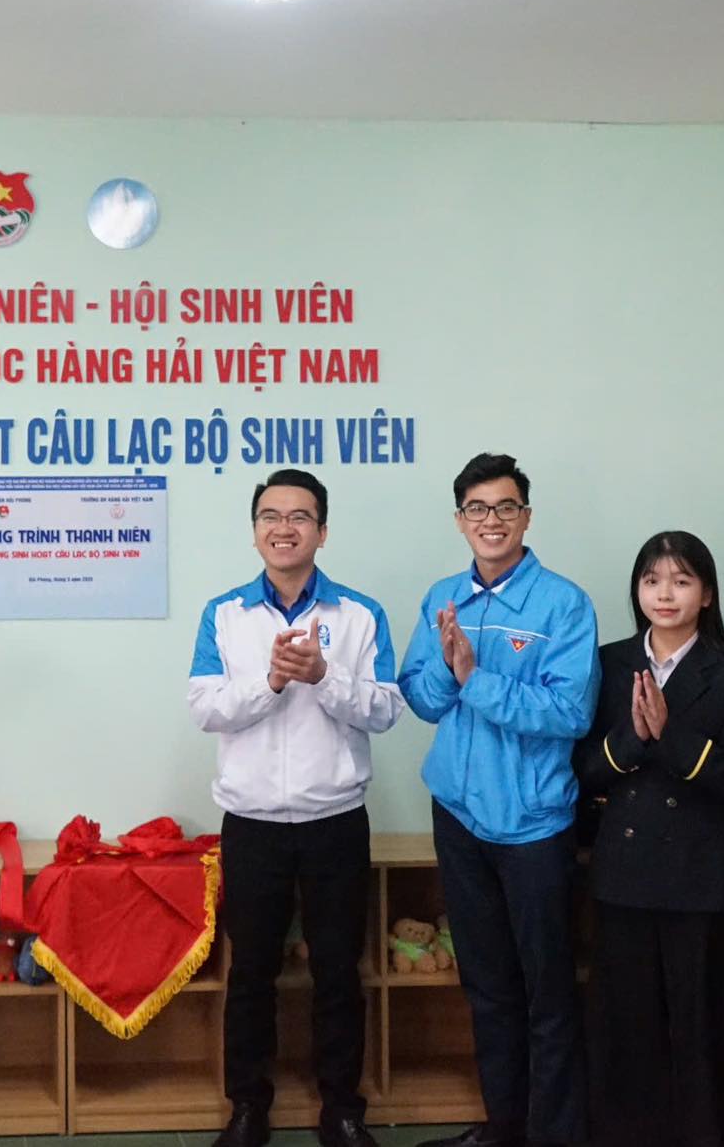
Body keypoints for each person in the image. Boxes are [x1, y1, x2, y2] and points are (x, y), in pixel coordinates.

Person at [188, 468, 403, 1147]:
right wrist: (273, 681)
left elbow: (387, 708)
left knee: (338, 972)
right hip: (251, 824)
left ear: (322, 531)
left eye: (300, 517)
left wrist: (325, 678)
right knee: (251, 972)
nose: (284, 528)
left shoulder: (360, 614)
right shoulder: (224, 613)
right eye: (271, 516)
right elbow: (205, 708)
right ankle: (248, 1108)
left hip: (334, 822)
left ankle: (342, 1110)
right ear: (255, 532)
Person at [400, 452, 599, 1147]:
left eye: (506, 507)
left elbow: (570, 712)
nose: (492, 520)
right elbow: (422, 699)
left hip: (534, 826)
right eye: (478, 509)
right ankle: (503, 1129)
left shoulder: (563, 604)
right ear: (460, 520)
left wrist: (474, 678)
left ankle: (554, 1135)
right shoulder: (442, 598)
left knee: (548, 992)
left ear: (526, 517)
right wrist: (448, 669)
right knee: (486, 988)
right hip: (459, 818)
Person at [574, 531, 724, 1147]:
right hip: (624, 872)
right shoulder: (607, 663)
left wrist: (671, 736)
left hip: (703, 878)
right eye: (652, 580)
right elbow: (582, 770)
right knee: (626, 1027)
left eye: (681, 581)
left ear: (706, 594)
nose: (665, 594)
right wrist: (633, 740)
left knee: (701, 1028)